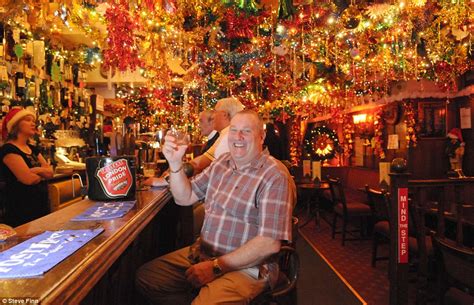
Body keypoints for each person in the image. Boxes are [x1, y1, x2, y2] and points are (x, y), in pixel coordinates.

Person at [136, 110, 295, 305]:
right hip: (203, 254)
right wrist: (175, 163)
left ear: (261, 136)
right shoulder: (222, 163)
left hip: (247, 268)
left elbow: (269, 243)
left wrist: (216, 267)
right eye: (234, 130)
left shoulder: (274, 175)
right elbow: (184, 197)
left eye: (246, 131)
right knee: (149, 277)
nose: (238, 137)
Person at [0, 107, 54, 227]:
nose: (33, 123)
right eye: (28, 120)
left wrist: (36, 170)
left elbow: (50, 173)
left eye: (33, 120)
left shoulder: (33, 149)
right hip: (21, 210)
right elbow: (28, 179)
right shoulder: (8, 149)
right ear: (16, 125)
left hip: (41, 207)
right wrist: (42, 173)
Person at [190, 97, 244, 174]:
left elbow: (200, 164)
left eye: (215, 111)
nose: (213, 116)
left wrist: (176, 169)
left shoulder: (228, 136)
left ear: (224, 115)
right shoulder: (227, 133)